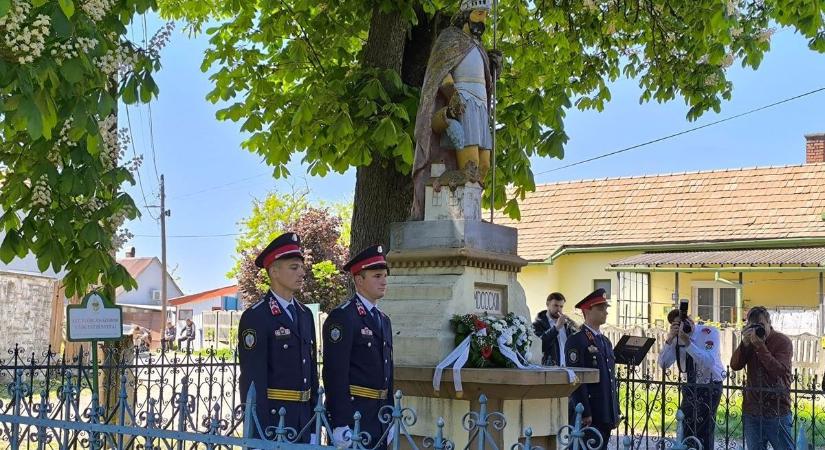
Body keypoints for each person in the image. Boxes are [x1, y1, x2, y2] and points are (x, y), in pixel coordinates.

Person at [410, 0, 503, 219]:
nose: (483, 20)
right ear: (466, 15)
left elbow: (484, 79)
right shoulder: (449, 39)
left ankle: (472, 210)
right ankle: (460, 214)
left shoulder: (477, 46)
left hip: (481, 106)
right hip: (464, 103)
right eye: (479, 14)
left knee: (485, 165)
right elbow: (439, 72)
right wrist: (453, 96)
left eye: (485, 15)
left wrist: (493, 65)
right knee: (469, 165)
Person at [237, 232, 319, 443]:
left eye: (302, 267)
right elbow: (252, 380)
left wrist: (313, 425)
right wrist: (257, 433)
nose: (302, 272)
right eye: (294, 267)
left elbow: (310, 371)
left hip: (303, 420)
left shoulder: (304, 314)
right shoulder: (257, 316)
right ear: (274, 271)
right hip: (273, 422)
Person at [323, 245, 394, 449]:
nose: (383, 281)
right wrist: (340, 423)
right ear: (359, 280)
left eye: (384, 276)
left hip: (379, 416)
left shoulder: (383, 320)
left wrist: (389, 416)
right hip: (355, 415)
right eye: (377, 275)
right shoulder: (344, 317)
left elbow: (388, 374)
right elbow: (335, 373)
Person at [658, 309, 725, 450]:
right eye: (678, 324)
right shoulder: (676, 338)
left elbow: (708, 362)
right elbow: (664, 363)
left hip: (710, 384)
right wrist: (670, 339)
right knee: (686, 424)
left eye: (685, 320)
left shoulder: (709, 332)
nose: (684, 325)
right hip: (690, 385)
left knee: (704, 429)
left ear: (690, 319)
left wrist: (688, 343)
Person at [730, 306, 793, 450]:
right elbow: (734, 365)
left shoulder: (782, 342)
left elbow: (779, 371)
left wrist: (760, 347)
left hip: (777, 409)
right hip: (752, 409)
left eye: (761, 325)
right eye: (753, 326)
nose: (758, 329)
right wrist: (744, 344)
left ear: (769, 322)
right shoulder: (750, 341)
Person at [564, 289, 619, 450]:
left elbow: (610, 379)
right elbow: (576, 378)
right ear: (587, 310)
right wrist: (585, 411)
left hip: (605, 411)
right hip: (590, 412)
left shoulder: (605, 341)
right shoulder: (577, 340)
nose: (605, 312)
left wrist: (614, 410)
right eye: (600, 308)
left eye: (605, 308)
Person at [533, 292, 578, 366]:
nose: (559, 309)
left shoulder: (566, 324)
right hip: (550, 369)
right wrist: (556, 328)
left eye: (561, 306)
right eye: (555, 305)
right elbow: (540, 345)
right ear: (547, 304)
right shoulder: (538, 324)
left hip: (568, 369)